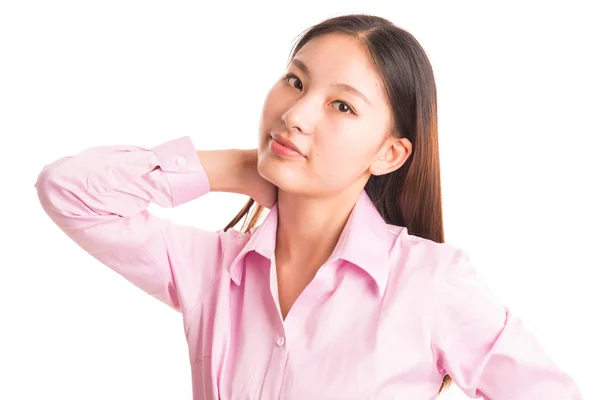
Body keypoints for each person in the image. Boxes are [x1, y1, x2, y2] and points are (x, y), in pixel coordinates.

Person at [35, 13, 581, 400]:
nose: (296, 113)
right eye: (296, 80)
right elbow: (68, 190)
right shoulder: (213, 271)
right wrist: (236, 168)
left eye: (341, 105)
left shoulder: (429, 284)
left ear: (390, 153)